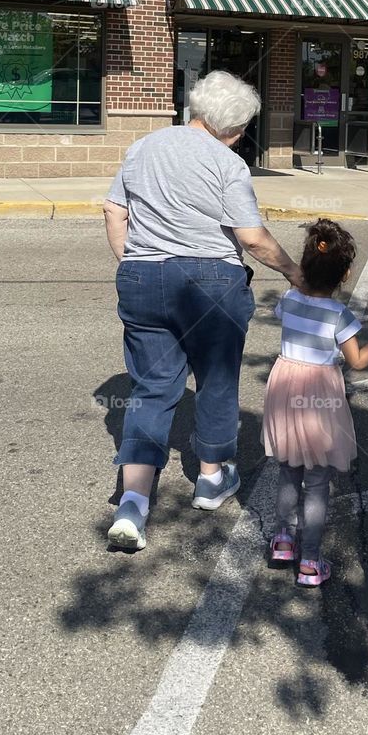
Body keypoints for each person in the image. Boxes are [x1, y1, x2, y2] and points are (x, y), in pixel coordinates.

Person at [102, 70, 302, 551]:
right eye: (243, 129)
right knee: (216, 379)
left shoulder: (142, 147)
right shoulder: (228, 164)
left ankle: (133, 503)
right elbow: (251, 237)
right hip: (212, 281)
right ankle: (211, 478)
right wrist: (298, 274)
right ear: (231, 128)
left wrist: (134, 262)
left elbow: (114, 211)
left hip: (143, 276)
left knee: (150, 389)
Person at [261, 219, 368, 587]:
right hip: (319, 395)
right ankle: (311, 561)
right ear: (345, 274)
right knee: (317, 481)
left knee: (288, 469)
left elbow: (287, 308)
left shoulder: (288, 300)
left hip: (285, 388)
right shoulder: (339, 315)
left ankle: (283, 539)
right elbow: (358, 362)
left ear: (305, 266)